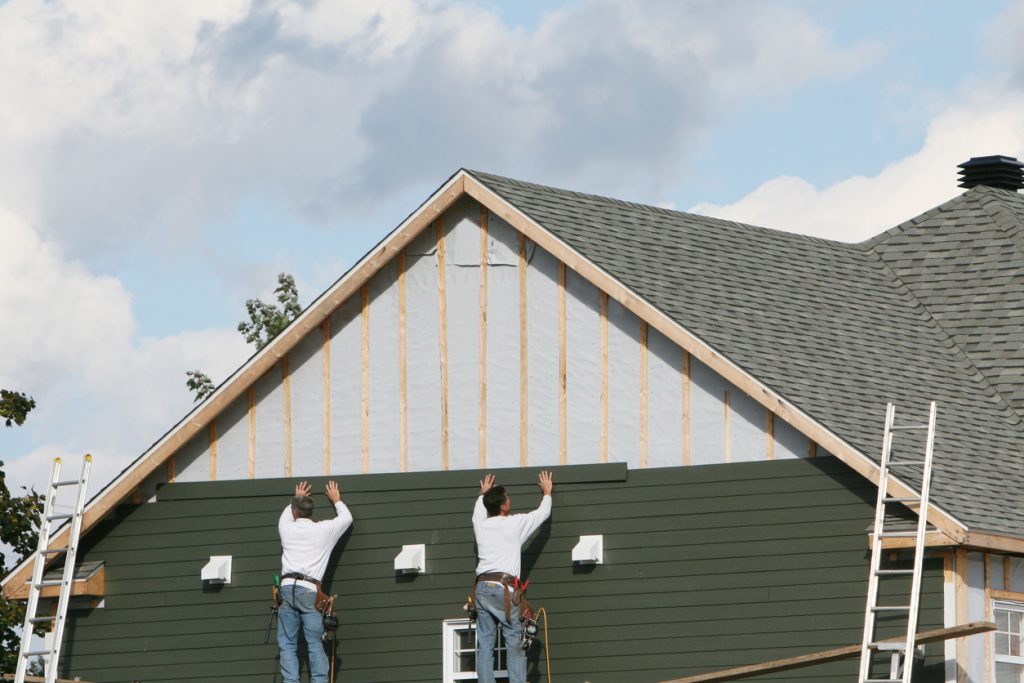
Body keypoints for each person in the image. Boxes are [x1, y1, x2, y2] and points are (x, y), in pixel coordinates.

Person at [472, 471, 553, 683]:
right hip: (503, 589)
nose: (510, 500)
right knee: (514, 641)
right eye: (507, 498)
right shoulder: (514, 524)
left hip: (481, 589)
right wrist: (547, 493)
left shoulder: (481, 525)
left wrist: (483, 494)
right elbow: (540, 514)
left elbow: (478, 512)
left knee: (486, 644)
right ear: (502, 506)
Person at [277, 480, 352, 683]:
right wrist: (337, 500)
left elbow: (286, 515)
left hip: (286, 589)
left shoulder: (286, 529)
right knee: (314, 643)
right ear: (310, 513)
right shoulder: (323, 530)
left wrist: (298, 496)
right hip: (309, 590)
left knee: (287, 644)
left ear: (295, 511)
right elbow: (346, 518)